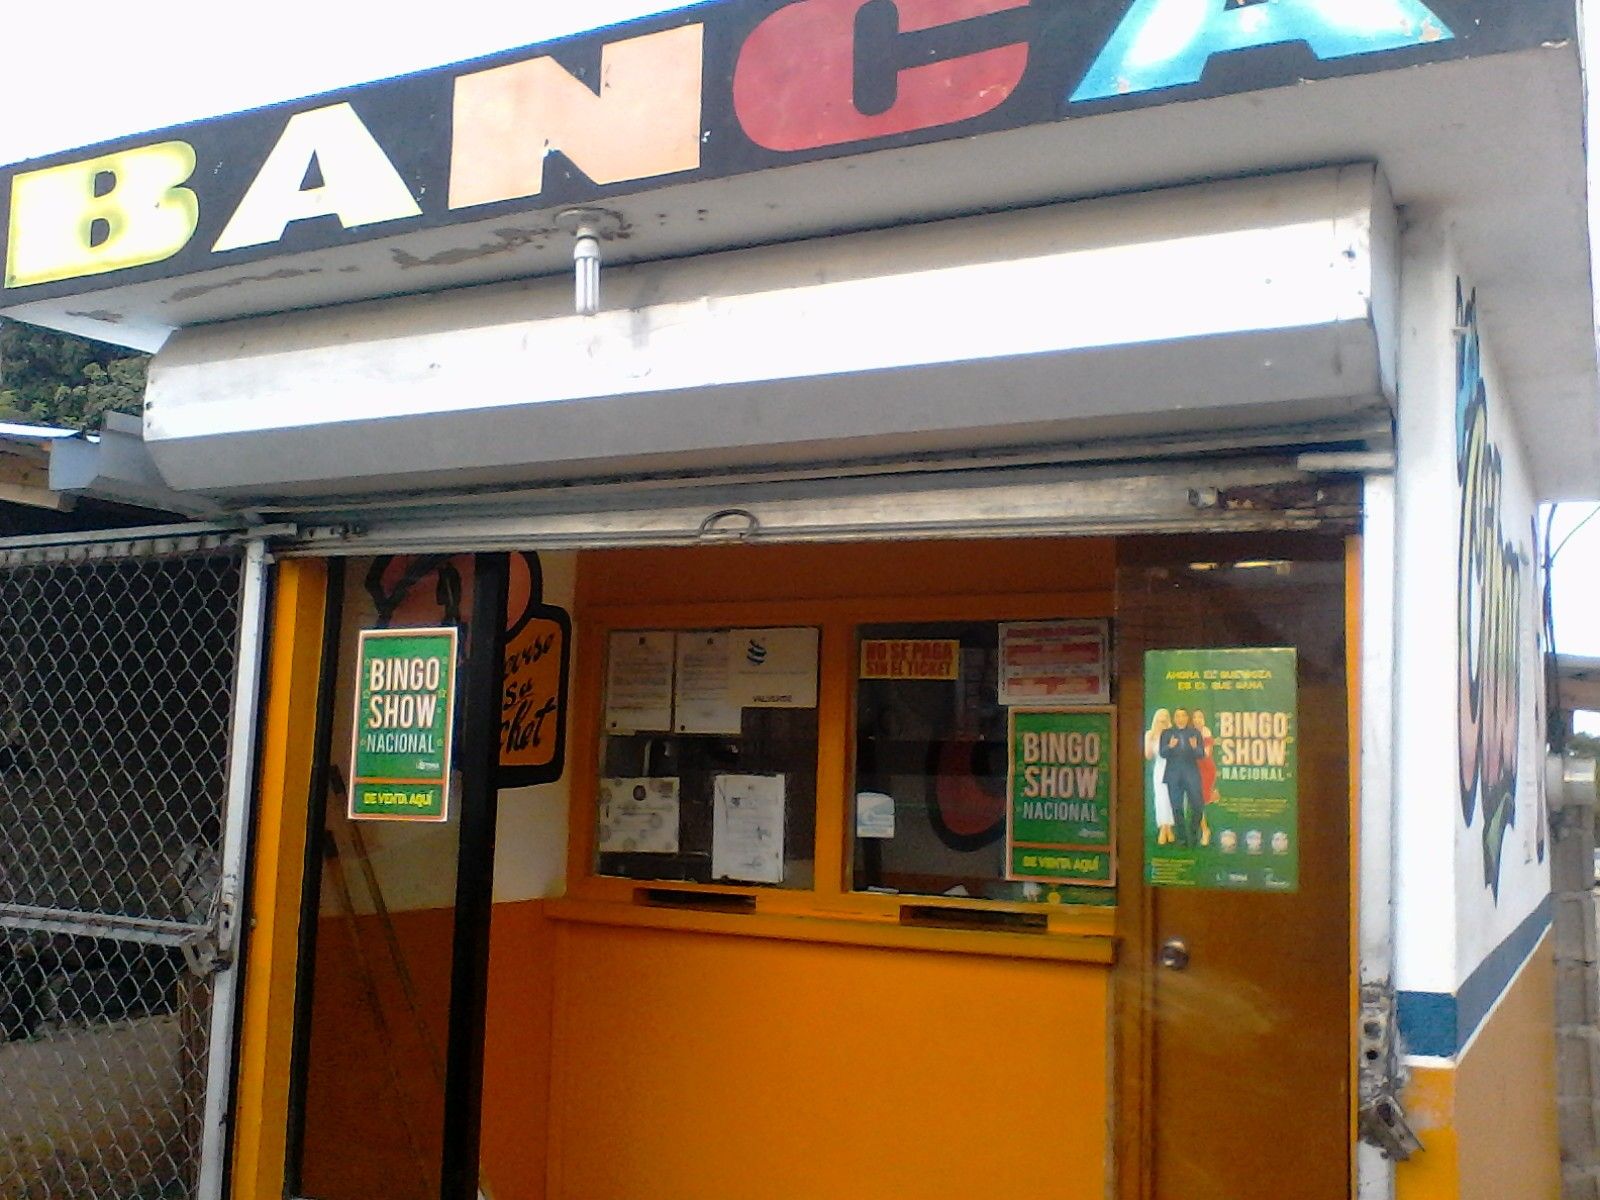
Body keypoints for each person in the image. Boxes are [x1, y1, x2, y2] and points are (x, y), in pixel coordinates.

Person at [1160, 708, 1206, 848]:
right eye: (1178, 716)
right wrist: (1170, 746)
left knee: (1197, 806)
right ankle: (1181, 838)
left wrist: (1194, 747)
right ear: (1174, 719)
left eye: (1183, 715)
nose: (1180, 718)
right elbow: (1162, 753)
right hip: (1173, 776)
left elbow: (1201, 754)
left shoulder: (1195, 733)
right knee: (1176, 808)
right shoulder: (1167, 733)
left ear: (1187, 718)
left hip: (1191, 775)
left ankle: (1193, 834)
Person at [1144, 709, 1176, 845]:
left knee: (1171, 797)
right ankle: (1163, 827)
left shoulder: (1173, 733)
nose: (1162, 721)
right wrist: (1150, 741)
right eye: (1160, 718)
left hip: (1173, 768)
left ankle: (1169, 828)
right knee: (1161, 798)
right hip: (1159, 769)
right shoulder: (1150, 734)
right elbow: (1148, 756)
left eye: (1165, 718)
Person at [1192, 709, 1218, 847]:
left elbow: (1205, 754)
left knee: (1200, 801)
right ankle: (1203, 830)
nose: (1197, 720)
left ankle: (1205, 831)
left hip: (1206, 770)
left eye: (1200, 717)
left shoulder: (1206, 732)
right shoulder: (1190, 732)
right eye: (1195, 717)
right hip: (1194, 770)